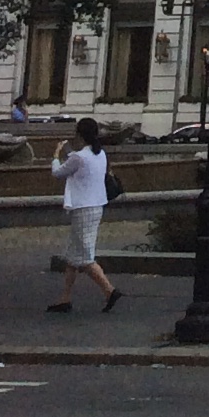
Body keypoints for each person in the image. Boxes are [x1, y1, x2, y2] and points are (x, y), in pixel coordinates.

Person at [47, 118, 119, 314]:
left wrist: (55, 154)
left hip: (82, 207)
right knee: (73, 255)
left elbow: (58, 173)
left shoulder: (79, 157)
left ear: (80, 134)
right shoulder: (99, 154)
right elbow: (80, 164)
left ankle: (109, 290)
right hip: (97, 205)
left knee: (85, 256)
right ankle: (65, 298)